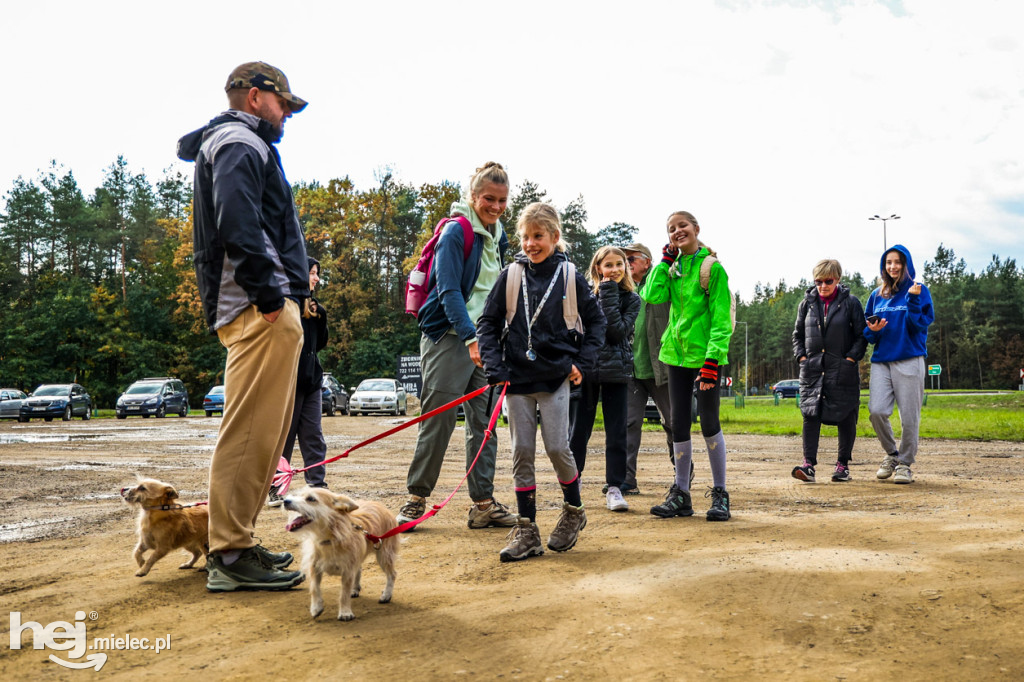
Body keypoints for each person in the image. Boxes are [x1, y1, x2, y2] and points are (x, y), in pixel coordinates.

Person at [177, 61, 309, 590]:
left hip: (262, 306)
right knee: (250, 431)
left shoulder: (239, 142)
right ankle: (229, 555)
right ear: (256, 97)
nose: (287, 116)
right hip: (258, 309)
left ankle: (239, 542)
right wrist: (271, 295)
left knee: (264, 434)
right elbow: (237, 221)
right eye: (283, 105)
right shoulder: (239, 141)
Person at [477, 202, 606, 561]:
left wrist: (583, 361)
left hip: (555, 376)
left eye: (539, 237)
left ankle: (574, 510)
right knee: (522, 452)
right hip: (515, 378)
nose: (531, 244)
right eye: (525, 237)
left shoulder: (570, 276)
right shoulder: (510, 275)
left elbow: (597, 324)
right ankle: (527, 529)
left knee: (556, 448)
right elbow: (487, 323)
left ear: (554, 237)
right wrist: (494, 366)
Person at [396, 163, 517, 530]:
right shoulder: (456, 232)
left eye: (501, 200)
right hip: (451, 337)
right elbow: (448, 291)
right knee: (439, 419)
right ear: (474, 196)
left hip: (487, 341)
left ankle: (483, 503)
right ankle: (416, 498)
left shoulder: (499, 236)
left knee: (484, 424)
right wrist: (469, 337)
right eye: (488, 199)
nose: (495, 206)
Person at [641, 211, 734, 521]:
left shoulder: (712, 269)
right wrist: (664, 263)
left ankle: (720, 494)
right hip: (675, 355)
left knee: (709, 422)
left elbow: (721, 319)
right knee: (679, 423)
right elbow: (650, 295)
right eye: (671, 229)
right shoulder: (672, 269)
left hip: (705, 356)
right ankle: (681, 494)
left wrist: (712, 360)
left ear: (696, 229)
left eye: (682, 226)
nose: (677, 231)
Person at [568, 246, 640, 511]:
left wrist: (608, 291)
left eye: (619, 264)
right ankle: (573, 483)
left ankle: (615, 488)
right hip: (586, 371)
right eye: (608, 265)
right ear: (598, 268)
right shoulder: (584, 295)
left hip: (616, 372)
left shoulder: (632, 299)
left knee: (617, 433)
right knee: (578, 432)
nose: (615, 270)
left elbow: (615, 332)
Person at [790, 260, 867, 483]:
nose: (823, 286)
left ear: (838, 279)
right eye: (818, 281)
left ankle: (842, 466)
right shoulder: (806, 303)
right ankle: (808, 466)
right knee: (810, 414)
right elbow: (797, 336)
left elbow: (862, 336)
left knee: (846, 415)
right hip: (813, 369)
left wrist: (850, 359)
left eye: (828, 281)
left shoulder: (851, 303)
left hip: (842, 368)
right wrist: (802, 358)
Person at [863, 245, 935, 484]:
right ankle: (892, 454)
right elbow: (869, 333)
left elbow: (920, 325)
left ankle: (905, 464)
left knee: (910, 417)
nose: (892, 266)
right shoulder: (877, 294)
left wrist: (913, 300)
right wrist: (872, 331)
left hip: (909, 358)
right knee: (876, 411)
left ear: (906, 265)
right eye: (888, 262)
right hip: (882, 360)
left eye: (897, 262)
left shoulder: (919, 291)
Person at [269, 257, 330, 507]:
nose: (316, 278)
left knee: (313, 436)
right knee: (285, 437)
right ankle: (276, 489)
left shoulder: (315, 309)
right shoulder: (286, 306)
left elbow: (321, 344)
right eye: (312, 273)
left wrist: (321, 317)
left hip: (312, 382)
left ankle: (318, 487)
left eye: (317, 273)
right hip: (288, 383)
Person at [622, 243, 679, 496]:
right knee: (628, 423)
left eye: (631, 258)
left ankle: (682, 477)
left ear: (647, 261)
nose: (626, 263)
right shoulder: (622, 289)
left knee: (674, 423)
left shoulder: (664, 282)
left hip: (663, 368)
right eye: (624, 259)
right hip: (631, 370)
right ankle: (626, 479)